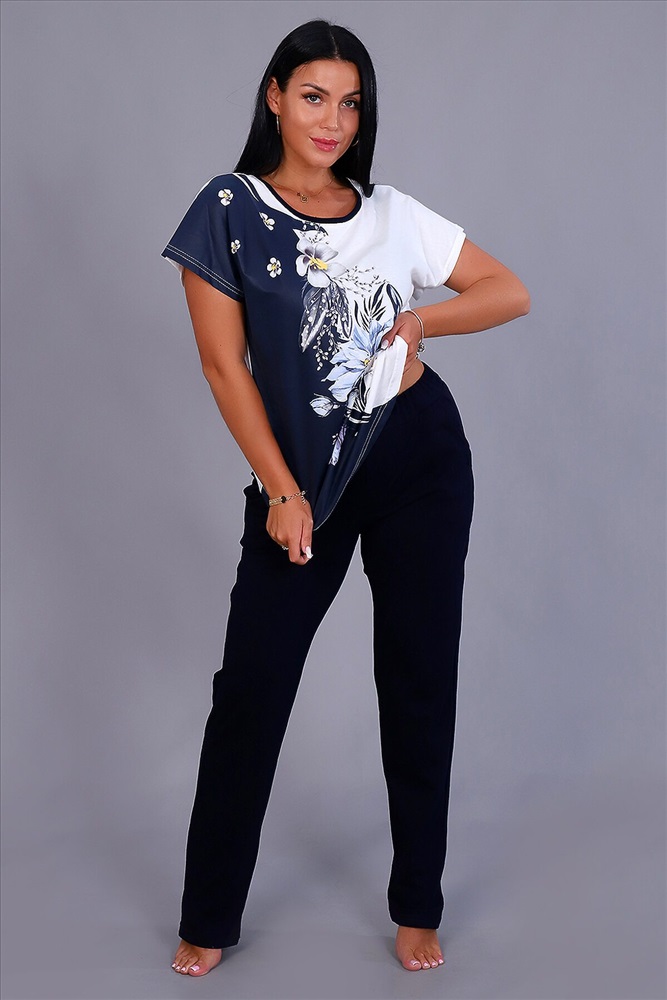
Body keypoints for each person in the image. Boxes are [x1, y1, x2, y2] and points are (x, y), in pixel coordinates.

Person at [162, 18, 529, 977]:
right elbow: (224, 367)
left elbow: (508, 292)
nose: (332, 120)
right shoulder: (230, 207)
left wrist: (420, 322)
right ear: (275, 97)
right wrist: (281, 492)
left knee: (417, 679)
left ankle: (417, 903)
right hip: (302, 485)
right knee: (250, 692)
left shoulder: (391, 213)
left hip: (418, 460)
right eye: (314, 96)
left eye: (350, 102)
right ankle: (208, 914)